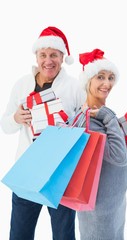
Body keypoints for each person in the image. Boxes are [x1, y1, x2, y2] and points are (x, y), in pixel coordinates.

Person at [0, 26, 85, 240]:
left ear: (63, 57)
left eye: (54, 55)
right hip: (26, 171)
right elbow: (5, 126)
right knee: (19, 234)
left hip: (60, 174)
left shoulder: (75, 87)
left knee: (63, 235)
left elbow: (86, 125)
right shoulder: (21, 85)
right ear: (37, 57)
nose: (48, 60)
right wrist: (16, 119)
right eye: (43, 55)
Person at [74, 48, 127, 240]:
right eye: (100, 77)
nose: (107, 83)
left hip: (114, 203)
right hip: (99, 207)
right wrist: (108, 117)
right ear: (88, 80)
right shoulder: (91, 119)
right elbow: (117, 157)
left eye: (110, 77)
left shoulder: (102, 113)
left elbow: (114, 159)